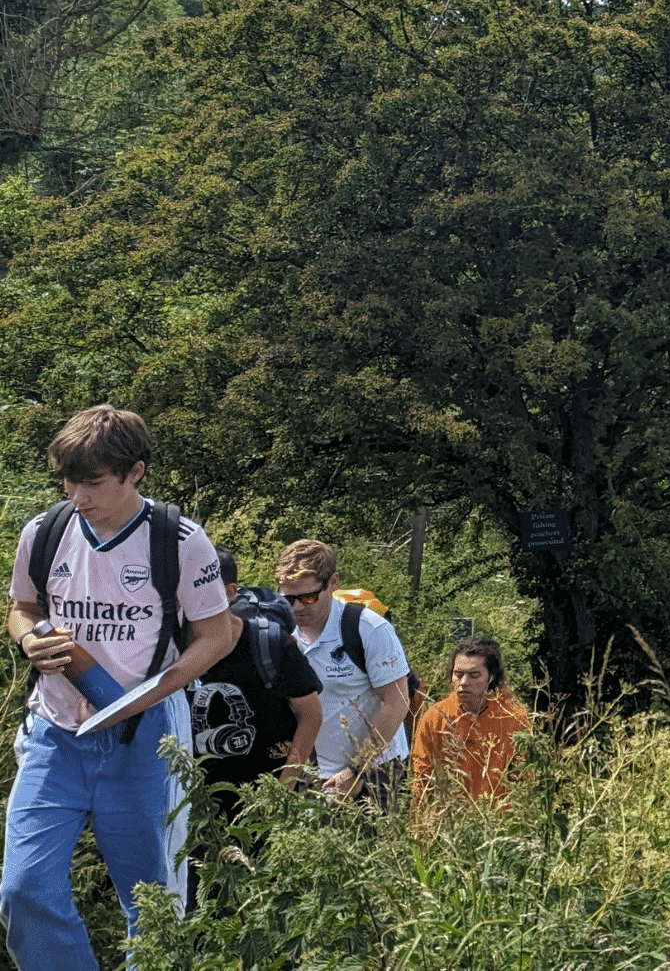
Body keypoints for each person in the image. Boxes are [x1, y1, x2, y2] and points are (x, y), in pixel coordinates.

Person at [0, 405, 234, 970]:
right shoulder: (45, 530)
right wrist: (29, 640)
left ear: (136, 472)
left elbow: (217, 636)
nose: (77, 494)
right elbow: (22, 608)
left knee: (152, 902)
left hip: (144, 737)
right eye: (68, 479)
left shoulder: (177, 538)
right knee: (23, 891)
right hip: (55, 732)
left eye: (93, 481)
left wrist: (158, 691)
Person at [276, 540, 411, 808]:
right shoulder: (279, 632)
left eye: (309, 597)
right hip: (312, 771)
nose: (298, 608)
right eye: (287, 599)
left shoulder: (368, 628)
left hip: (376, 771)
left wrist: (356, 771)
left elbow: (397, 703)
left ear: (333, 582)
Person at [191, 548, 323, 810]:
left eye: (202, 590)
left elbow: (311, 715)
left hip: (264, 802)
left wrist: (281, 792)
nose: (192, 600)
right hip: (198, 806)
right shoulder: (170, 648)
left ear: (230, 592)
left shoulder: (268, 643)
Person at [410, 638, 528, 804]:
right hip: (447, 819)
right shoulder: (435, 716)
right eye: (458, 674)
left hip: (497, 820)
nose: (464, 683)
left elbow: (525, 778)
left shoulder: (514, 718)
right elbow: (422, 777)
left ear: (491, 677)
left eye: (474, 675)